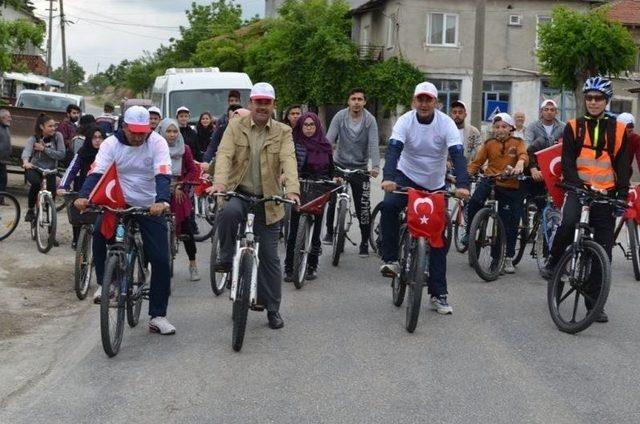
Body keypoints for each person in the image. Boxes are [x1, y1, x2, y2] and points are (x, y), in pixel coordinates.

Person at [74, 106, 176, 334]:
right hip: (118, 202)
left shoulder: (157, 142)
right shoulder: (111, 144)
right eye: (134, 132)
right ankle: (106, 283)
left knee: (160, 259)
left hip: (149, 205)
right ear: (124, 128)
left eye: (144, 132)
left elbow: (162, 174)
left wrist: (161, 201)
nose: (139, 136)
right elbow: (97, 172)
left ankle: (158, 315)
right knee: (100, 233)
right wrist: (83, 196)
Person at [207, 82, 300, 330]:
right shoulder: (235, 126)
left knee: (270, 258)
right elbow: (225, 154)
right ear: (250, 104)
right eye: (258, 102)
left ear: (273, 105)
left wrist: (292, 189)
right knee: (227, 212)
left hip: (269, 200)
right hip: (239, 192)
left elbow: (289, 160)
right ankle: (226, 257)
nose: (262, 106)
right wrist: (219, 184)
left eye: (266, 102)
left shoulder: (283, 132)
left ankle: (273, 310)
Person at [541, 77, 630, 323]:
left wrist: (621, 194)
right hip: (578, 189)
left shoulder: (620, 130)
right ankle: (554, 263)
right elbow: (568, 160)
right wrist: (577, 185)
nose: (593, 102)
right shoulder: (573, 126)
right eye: (589, 97)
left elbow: (622, 165)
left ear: (606, 101)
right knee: (568, 224)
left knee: (603, 251)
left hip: (605, 194)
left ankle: (595, 303)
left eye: (598, 98)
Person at [379, 82, 470, 314]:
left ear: (436, 103)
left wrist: (462, 185)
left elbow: (457, 155)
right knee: (389, 205)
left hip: (435, 183)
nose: (424, 104)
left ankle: (439, 294)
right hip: (405, 175)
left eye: (428, 100)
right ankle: (391, 259)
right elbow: (393, 150)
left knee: (437, 237)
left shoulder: (446, 123)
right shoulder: (405, 121)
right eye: (420, 99)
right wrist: (388, 177)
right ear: (413, 101)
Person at [466, 113, 528, 274]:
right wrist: (466, 176)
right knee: (474, 202)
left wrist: (520, 163)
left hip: (509, 183)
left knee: (508, 222)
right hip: (491, 179)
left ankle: (505, 257)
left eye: (504, 127)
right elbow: (477, 162)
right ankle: (472, 231)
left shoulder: (518, 142)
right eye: (497, 127)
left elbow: (523, 155)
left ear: (510, 129)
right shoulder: (489, 144)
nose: (500, 130)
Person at [324, 88, 380, 257]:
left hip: (360, 168)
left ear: (364, 102)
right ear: (348, 101)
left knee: (363, 206)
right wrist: (324, 161)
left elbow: (373, 144)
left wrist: (376, 166)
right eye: (353, 98)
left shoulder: (370, 120)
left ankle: (364, 240)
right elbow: (329, 140)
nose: (356, 102)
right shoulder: (340, 117)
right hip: (339, 164)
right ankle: (329, 231)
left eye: (360, 99)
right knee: (332, 199)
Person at [283, 112, 334, 282]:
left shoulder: (325, 144)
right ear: (300, 126)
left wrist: (333, 179)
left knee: (316, 230)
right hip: (299, 188)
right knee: (294, 230)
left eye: (312, 125)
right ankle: (289, 268)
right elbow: (288, 165)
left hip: (319, 189)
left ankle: (312, 265)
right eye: (306, 125)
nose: (309, 128)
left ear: (317, 126)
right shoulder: (294, 144)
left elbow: (331, 169)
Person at [157, 118, 201, 281]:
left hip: (179, 189)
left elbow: (192, 170)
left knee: (187, 228)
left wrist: (181, 185)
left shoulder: (185, 149)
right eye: (168, 131)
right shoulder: (155, 148)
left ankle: (193, 264)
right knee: (151, 225)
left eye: (175, 131)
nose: (172, 135)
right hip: (159, 189)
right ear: (161, 132)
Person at [58, 125, 106, 247]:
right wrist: (63, 185)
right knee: (77, 212)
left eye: (100, 137)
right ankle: (76, 239)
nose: (97, 140)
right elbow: (72, 169)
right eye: (94, 137)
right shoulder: (82, 153)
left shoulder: (108, 154)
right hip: (84, 188)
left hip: (103, 191)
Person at [21, 113, 66, 223]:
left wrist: (44, 149)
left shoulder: (57, 136)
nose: (53, 128)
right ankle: (31, 209)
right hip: (35, 168)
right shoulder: (34, 138)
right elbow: (26, 152)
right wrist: (26, 162)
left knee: (51, 201)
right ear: (42, 127)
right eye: (50, 126)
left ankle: (51, 233)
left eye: (54, 126)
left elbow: (61, 154)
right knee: (36, 184)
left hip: (50, 171)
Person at [526, 100, 566, 209]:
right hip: (535, 164)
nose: (549, 112)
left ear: (556, 112)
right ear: (541, 111)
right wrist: (533, 168)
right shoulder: (532, 126)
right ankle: (531, 204)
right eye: (546, 109)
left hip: (555, 165)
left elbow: (567, 148)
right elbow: (528, 148)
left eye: (552, 110)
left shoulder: (563, 127)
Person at [0, 109, 11, 202]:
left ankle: (1, 199)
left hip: (2, 160)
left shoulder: (6, 127)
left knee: (3, 180)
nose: (10, 119)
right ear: (2, 117)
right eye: (8, 117)